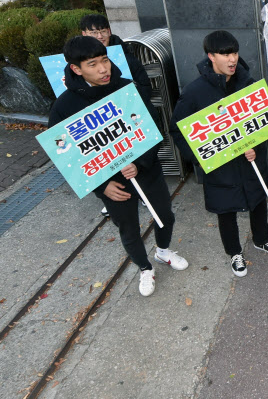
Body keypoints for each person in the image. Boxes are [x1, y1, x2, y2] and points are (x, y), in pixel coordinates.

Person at [50, 36, 188, 297]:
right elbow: (64, 156)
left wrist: (140, 162)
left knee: (165, 215)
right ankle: (144, 267)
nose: (103, 69)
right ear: (76, 69)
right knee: (129, 228)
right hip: (113, 184)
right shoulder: (64, 107)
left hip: (146, 171)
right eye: (93, 64)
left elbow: (154, 128)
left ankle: (163, 251)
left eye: (105, 60)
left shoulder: (128, 89)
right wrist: (101, 186)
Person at [171, 30, 268, 278]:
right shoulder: (194, 92)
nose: (232, 59)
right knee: (226, 210)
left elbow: (265, 122)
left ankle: (261, 240)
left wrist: (258, 145)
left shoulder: (250, 84)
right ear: (210, 56)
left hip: (250, 163)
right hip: (221, 169)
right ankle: (234, 253)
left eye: (234, 52)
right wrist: (202, 157)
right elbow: (178, 130)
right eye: (224, 54)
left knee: (258, 201)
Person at [81, 13, 152, 219]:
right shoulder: (77, 61)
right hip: (100, 123)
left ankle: (142, 194)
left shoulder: (125, 54)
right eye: (94, 32)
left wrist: (134, 101)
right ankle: (112, 199)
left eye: (103, 31)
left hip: (129, 117)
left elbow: (145, 86)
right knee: (109, 159)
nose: (100, 36)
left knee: (135, 158)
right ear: (84, 34)